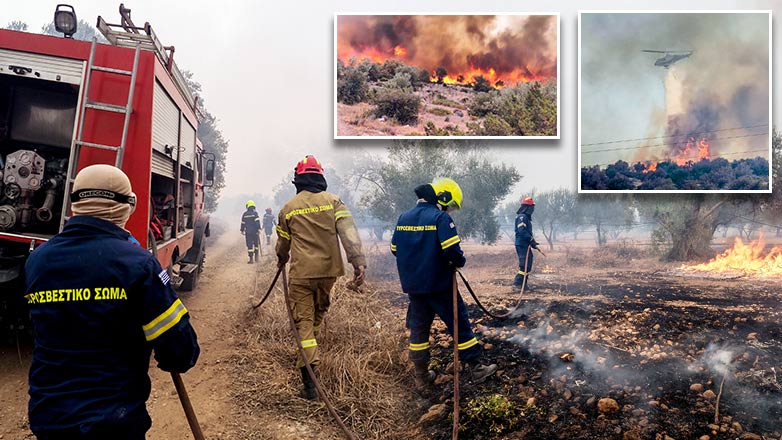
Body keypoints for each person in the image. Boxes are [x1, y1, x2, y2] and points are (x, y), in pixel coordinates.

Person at [24, 164, 199, 440]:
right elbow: (180, 351)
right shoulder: (139, 265)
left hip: (50, 418)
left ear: (75, 203)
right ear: (127, 206)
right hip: (114, 422)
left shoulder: (38, 260)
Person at [391, 178, 497, 391]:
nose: (450, 211)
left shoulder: (403, 218)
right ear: (444, 198)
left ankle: (421, 376)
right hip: (440, 285)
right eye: (451, 207)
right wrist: (458, 262)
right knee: (460, 325)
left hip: (415, 289)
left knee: (419, 331)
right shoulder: (440, 218)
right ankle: (476, 369)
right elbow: (451, 251)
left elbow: (395, 249)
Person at [275, 155, 366, 400]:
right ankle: (311, 347)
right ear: (320, 178)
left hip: (302, 274)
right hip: (329, 273)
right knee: (318, 313)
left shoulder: (288, 208)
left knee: (303, 323)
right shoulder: (334, 202)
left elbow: (283, 244)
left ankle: (309, 385)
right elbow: (349, 233)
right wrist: (358, 262)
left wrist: (281, 258)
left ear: (298, 181)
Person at [512, 196, 539, 292]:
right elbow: (522, 231)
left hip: (525, 245)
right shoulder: (522, 217)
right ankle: (517, 284)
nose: (532, 210)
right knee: (524, 265)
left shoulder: (526, 218)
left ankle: (524, 285)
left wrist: (532, 243)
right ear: (526, 207)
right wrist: (531, 240)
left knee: (528, 264)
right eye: (531, 207)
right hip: (521, 244)